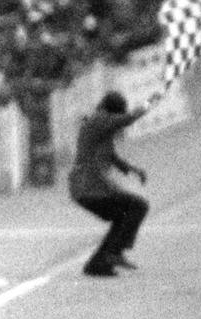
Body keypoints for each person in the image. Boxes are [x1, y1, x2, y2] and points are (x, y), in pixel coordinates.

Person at [68, 90, 160, 277]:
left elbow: (111, 156)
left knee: (124, 215)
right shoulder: (99, 120)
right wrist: (148, 103)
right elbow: (127, 119)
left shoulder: (100, 128)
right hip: (89, 187)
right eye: (117, 115)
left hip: (88, 187)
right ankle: (113, 253)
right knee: (137, 206)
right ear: (112, 112)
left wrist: (133, 170)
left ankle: (98, 264)